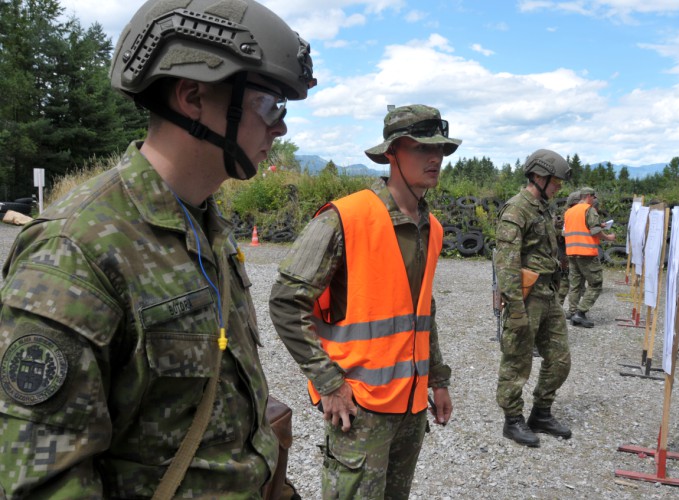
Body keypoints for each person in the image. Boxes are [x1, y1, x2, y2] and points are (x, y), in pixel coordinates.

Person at [0, 0, 316, 497]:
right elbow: (42, 478)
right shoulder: (75, 248)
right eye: (269, 105)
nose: (280, 127)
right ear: (193, 97)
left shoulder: (210, 228)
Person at [269, 104, 458, 499]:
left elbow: (423, 311)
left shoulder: (431, 227)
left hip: (410, 409)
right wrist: (329, 384)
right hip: (359, 408)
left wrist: (437, 381)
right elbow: (286, 302)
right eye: (421, 147)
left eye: (440, 148)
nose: (435, 157)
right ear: (391, 154)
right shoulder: (345, 218)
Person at [495, 149, 573, 448]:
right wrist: (514, 309)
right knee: (517, 361)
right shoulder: (517, 210)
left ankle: (541, 412)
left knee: (560, 359)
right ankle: (513, 419)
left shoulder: (543, 207)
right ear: (538, 176)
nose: (558, 187)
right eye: (555, 181)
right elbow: (507, 264)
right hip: (525, 296)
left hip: (547, 293)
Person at [564, 187, 617, 328]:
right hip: (586, 253)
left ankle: (572, 311)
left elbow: (572, 230)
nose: (595, 200)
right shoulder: (589, 209)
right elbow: (595, 232)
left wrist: (599, 225)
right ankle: (580, 313)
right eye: (594, 197)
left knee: (575, 284)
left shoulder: (569, 212)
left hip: (571, 252)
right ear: (588, 196)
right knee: (596, 283)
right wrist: (608, 237)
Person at [555, 190, 583, 306]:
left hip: (573, 253)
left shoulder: (576, 214)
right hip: (564, 254)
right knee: (564, 283)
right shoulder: (566, 215)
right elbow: (556, 232)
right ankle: (558, 308)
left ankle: (568, 309)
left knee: (573, 284)